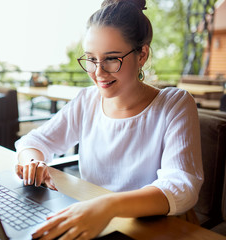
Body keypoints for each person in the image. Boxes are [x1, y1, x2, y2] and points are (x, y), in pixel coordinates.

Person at [15, 0, 204, 239]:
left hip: (157, 228)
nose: (98, 72)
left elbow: (181, 186)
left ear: (142, 54)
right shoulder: (87, 100)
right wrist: (33, 162)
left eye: (112, 59)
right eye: (91, 59)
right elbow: (35, 141)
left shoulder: (174, 104)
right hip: (97, 220)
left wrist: (108, 205)